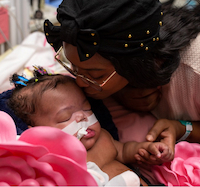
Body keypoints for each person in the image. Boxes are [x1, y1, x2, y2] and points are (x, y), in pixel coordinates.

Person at [43, 0, 200, 167]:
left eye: (95, 74)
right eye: (73, 67)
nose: (79, 82)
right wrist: (120, 93)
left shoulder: (195, 70)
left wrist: (182, 128)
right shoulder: (127, 41)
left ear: (134, 64)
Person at [8, 67, 173, 186]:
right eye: (66, 117)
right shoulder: (54, 159)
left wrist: (145, 149)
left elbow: (124, 151)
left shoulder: (103, 139)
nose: (82, 117)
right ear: (39, 132)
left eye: (86, 108)